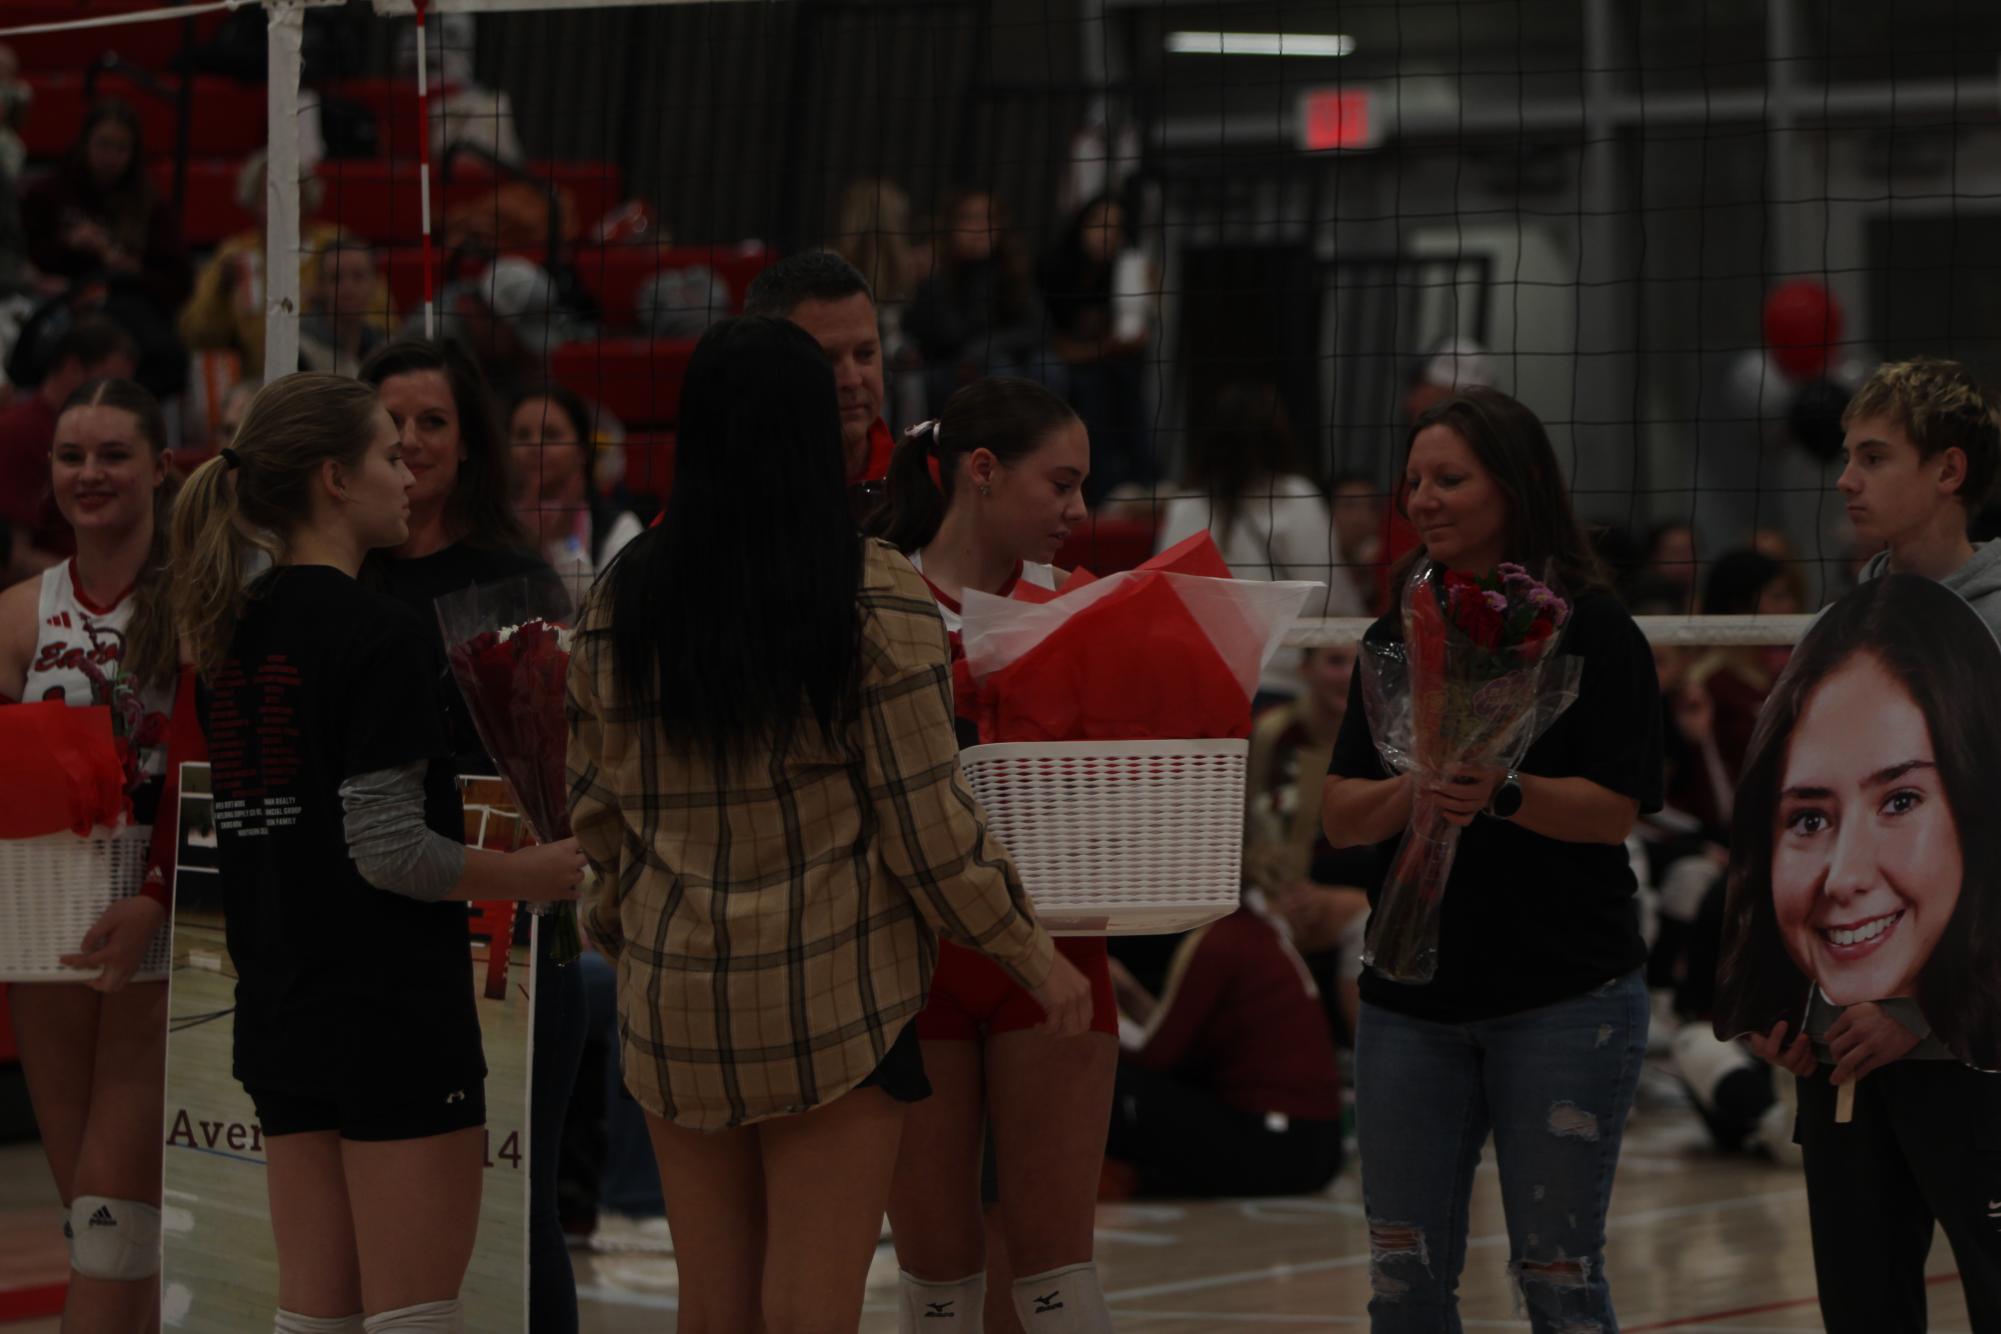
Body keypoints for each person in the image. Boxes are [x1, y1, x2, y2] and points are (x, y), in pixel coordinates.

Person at [566, 319, 1088, 1333]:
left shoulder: (622, 598)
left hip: (678, 1000)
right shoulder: (872, 592)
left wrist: (632, 933)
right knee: (812, 1306)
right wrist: (1037, 956)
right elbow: (928, 829)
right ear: (816, 435)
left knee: (710, 1305)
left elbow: (597, 815)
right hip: (834, 998)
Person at [168, 373, 585, 1334]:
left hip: (278, 1010)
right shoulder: (379, 631)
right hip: (388, 1017)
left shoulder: (230, 629)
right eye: (388, 455)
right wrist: (529, 875)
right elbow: (388, 851)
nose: (407, 474)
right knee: (411, 1320)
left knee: (312, 1319)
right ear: (332, 479)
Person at [1322, 387, 1663, 1333]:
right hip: (1408, 1004)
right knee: (1403, 1284)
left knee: (1556, 1277)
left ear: (1513, 489)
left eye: (1449, 479)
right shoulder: (1395, 633)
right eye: (1415, 480)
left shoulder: (1592, 631)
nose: (1422, 498)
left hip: (1561, 996)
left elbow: (1612, 813)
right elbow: (1341, 816)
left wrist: (1498, 790)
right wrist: (1416, 789)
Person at [1737, 356, 2001, 1334]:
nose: (1844, 478)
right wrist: (1776, 985)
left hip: (1967, 1047)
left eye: (1873, 456)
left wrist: (1919, 1006)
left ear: (1949, 470)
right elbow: (1793, 826)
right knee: (1863, 1310)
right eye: (1846, 455)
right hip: (1840, 1052)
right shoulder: (1840, 627)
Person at [868, 377, 1117, 1334]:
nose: (1078, 510)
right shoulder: (877, 597)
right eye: (1060, 484)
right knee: (937, 1279)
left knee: (1054, 1278)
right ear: (981, 471)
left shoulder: (1085, 606)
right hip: (914, 958)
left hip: (1056, 952)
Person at [355, 338, 587, 1333]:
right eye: (389, 420)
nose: (408, 440)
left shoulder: (515, 579)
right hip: (366, 940)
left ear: (469, 441)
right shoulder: (334, 573)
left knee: (516, 1205)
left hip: (512, 934)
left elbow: (558, 767)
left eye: (432, 420)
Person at [0, 378, 180, 1331]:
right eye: (72, 457)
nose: (90, 474)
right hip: (49, 926)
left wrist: (160, 883)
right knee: (101, 1227)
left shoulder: (198, 600)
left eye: (113, 455)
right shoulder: (22, 614)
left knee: (115, 1217)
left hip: (166, 916)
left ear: (160, 466)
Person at [1104, 890, 1345, 1199]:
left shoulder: (1223, 939)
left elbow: (1154, 1055)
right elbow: (1180, 1037)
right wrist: (1130, 994)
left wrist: (1098, 1012)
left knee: (1109, 1082)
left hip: (1277, 1147)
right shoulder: (1257, 930)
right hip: (1315, 1145)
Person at [1154, 382, 1364, 704]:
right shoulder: (1299, 497)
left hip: (1206, 687)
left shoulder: (1186, 506)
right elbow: (1327, 595)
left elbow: (1164, 602)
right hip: (1283, 681)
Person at [1246, 642, 1376, 1044]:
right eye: (1336, 661)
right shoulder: (1273, 733)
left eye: (1357, 663)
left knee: (1370, 922)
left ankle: (1358, 1066)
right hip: (1272, 893)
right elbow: (1246, 824)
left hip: (1352, 893)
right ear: (1305, 668)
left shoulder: (1386, 735)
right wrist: (1274, 890)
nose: (1347, 675)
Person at [21, 100, 191, 327]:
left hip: (126, 309)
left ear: (134, 153)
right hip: (55, 303)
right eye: (102, 145)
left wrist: (130, 268)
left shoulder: (151, 205)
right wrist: (69, 242)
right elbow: (23, 257)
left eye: (121, 148)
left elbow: (178, 281)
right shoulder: (48, 192)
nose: (110, 157)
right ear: (84, 143)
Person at [1667, 549, 1798, 838]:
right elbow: (1717, 804)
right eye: (1777, 596)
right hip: (1732, 838)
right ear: (1741, 604)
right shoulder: (1706, 685)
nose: (1790, 605)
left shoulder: (1785, 677)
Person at [743, 251, 896, 493]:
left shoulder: (933, 488)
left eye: (865, 354)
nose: (852, 380)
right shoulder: (719, 504)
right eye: (825, 359)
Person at [1040, 195, 1154, 503]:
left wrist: (1149, 307)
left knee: (1125, 376)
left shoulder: (1121, 275)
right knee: (1091, 385)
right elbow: (1052, 344)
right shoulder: (1055, 269)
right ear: (1081, 226)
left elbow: (1131, 335)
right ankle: (1104, 491)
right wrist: (1105, 349)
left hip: (1103, 362)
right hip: (1057, 365)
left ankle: (1145, 482)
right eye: (1099, 224)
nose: (1107, 234)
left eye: (1116, 227)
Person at [0, 319, 138, 562]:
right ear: (73, 368)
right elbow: (12, 556)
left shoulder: (106, 433)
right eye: (109, 385)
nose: (118, 401)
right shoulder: (20, 431)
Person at [904, 191, 1048, 412]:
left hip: (997, 358)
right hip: (947, 365)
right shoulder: (934, 272)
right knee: (999, 369)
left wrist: (984, 349)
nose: (979, 228)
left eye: (988, 219)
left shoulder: (1012, 269)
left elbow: (1036, 327)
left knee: (1046, 366)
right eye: (969, 218)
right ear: (951, 226)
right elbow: (951, 335)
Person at [507, 383, 642, 602]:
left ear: (581, 451)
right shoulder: (488, 524)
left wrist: (562, 542)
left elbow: (605, 618)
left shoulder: (619, 528)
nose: (535, 445)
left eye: (550, 435)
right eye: (522, 435)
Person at [298, 238, 392, 378]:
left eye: (358, 277)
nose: (348, 288)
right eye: (336, 278)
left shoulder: (383, 346)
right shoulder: (299, 349)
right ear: (320, 285)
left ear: (375, 283)